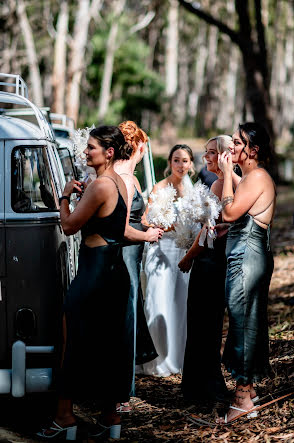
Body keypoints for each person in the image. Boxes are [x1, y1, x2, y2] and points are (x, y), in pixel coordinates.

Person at [37, 126, 132, 440]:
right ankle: (109, 415)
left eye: (91, 147)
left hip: (95, 271)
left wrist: (65, 194)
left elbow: (67, 226)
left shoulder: (100, 184)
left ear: (108, 152)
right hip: (116, 271)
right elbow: (114, 224)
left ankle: (64, 417)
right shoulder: (121, 182)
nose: (85, 151)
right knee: (109, 343)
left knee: (70, 340)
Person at [217, 122, 276, 424]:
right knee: (247, 320)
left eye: (239, 143)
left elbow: (229, 212)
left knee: (242, 323)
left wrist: (228, 175)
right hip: (248, 255)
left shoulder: (257, 177)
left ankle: (241, 397)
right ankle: (248, 391)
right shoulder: (252, 177)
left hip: (247, 258)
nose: (232, 147)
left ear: (253, 150)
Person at [178, 135, 233, 404]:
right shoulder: (227, 183)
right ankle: (200, 386)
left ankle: (205, 388)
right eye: (206, 152)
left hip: (211, 262)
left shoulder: (220, 185)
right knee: (205, 325)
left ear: (225, 155)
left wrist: (188, 257)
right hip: (215, 259)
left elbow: (208, 233)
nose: (206, 157)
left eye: (212, 153)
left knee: (203, 324)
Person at [114, 121, 163, 411]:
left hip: (132, 255)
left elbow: (131, 217)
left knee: (128, 316)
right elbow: (119, 226)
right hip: (125, 256)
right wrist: (147, 234)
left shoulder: (125, 174)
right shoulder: (126, 177)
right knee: (126, 318)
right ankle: (122, 393)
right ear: (140, 147)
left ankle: (121, 388)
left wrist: (148, 222)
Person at [137, 144, 195, 377]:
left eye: (185, 161)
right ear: (170, 163)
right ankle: (158, 359)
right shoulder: (160, 188)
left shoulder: (193, 191)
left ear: (191, 164)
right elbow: (144, 219)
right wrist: (161, 225)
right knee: (159, 300)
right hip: (162, 250)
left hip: (184, 251)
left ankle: (179, 357)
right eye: (176, 160)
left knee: (181, 303)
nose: (181, 165)